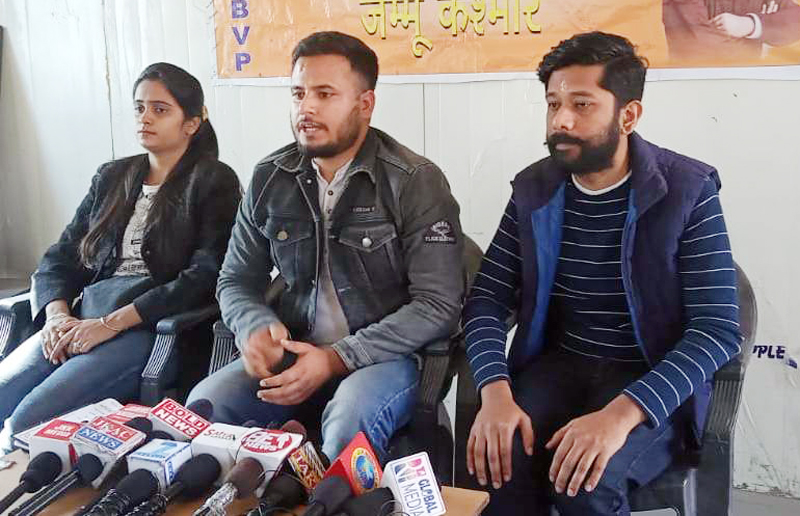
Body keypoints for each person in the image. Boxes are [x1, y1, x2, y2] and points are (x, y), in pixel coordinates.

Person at [463, 32, 742, 515]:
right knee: (497, 454)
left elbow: (716, 331)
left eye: (581, 105)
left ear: (628, 115)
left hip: (649, 376)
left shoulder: (688, 191)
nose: (561, 121)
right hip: (558, 366)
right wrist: (494, 391)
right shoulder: (534, 189)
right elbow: (486, 301)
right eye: (553, 104)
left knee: (586, 482)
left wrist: (619, 415)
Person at [187, 31, 464, 462]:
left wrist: (336, 358)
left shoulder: (413, 180)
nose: (307, 108)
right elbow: (236, 278)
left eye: (325, 94)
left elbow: (438, 304)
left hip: (386, 359)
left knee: (347, 421)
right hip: (294, 350)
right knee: (204, 409)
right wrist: (252, 324)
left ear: (365, 104)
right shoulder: (270, 177)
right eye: (298, 94)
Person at [0, 63, 242, 453]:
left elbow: (204, 275)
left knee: (27, 423)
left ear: (191, 123)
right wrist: (58, 316)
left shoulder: (214, 180)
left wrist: (112, 324)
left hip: (145, 329)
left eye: (160, 109)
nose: (145, 118)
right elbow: (60, 256)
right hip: (79, 319)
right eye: (139, 107)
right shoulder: (112, 176)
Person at [663, 0, 800, 61]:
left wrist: (749, 25)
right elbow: (699, 47)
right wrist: (759, 46)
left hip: (752, 87)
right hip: (699, 85)